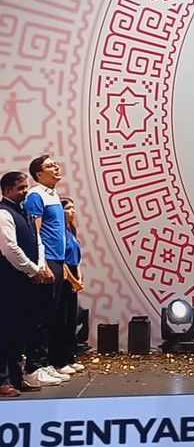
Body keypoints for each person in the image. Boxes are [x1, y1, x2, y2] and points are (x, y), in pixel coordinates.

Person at [0, 172, 53, 396]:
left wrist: (39, 266)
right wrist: (32, 270)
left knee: (20, 330)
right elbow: (9, 248)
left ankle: (16, 376)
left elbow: (37, 241)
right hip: (9, 281)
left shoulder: (26, 212)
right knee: (5, 330)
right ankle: (2, 380)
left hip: (27, 281)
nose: (25, 191)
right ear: (7, 190)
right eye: (20, 188)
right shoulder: (4, 213)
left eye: (26, 187)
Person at [23, 155, 70, 384]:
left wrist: (63, 264)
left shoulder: (53, 195)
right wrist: (41, 263)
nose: (56, 167)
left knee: (52, 313)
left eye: (55, 164)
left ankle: (46, 362)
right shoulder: (35, 195)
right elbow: (35, 231)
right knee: (40, 315)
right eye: (50, 166)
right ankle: (33, 367)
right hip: (46, 259)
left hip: (57, 260)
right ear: (39, 174)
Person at [52, 198, 85, 375]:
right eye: (68, 208)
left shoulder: (71, 231)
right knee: (61, 319)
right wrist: (72, 280)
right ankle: (59, 359)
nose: (72, 211)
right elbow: (61, 259)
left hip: (73, 274)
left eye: (73, 208)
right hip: (64, 276)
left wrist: (79, 277)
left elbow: (76, 258)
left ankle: (70, 356)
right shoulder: (59, 232)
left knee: (72, 318)